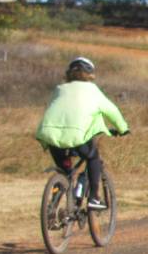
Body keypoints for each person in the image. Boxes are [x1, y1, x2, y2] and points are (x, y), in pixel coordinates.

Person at [35, 57, 130, 210]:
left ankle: (54, 203)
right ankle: (93, 198)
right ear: (90, 74)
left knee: (66, 170)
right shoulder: (92, 91)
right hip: (78, 136)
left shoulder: (60, 89)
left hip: (50, 135)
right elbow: (112, 111)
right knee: (93, 158)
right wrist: (123, 129)